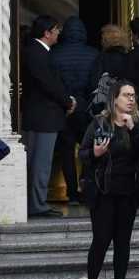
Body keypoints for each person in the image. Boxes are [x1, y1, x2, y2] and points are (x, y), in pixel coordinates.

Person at [78, 81, 139, 279]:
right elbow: (83, 153)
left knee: (123, 241)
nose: (131, 99)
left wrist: (132, 128)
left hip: (128, 191)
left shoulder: (137, 123)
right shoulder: (99, 123)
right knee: (101, 239)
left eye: (133, 95)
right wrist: (96, 153)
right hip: (103, 191)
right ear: (114, 98)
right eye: (126, 95)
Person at [22, 15, 75, 218]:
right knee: (40, 164)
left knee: (39, 163)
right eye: (56, 30)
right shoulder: (36, 53)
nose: (58, 33)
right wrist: (68, 101)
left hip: (43, 116)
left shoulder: (38, 52)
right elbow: (48, 84)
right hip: (42, 117)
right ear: (47, 33)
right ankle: (37, 205)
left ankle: (37, 202)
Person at [51, 16, 98, 205]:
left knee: (67, 151)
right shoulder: (94, 54)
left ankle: (71, 193)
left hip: (64, 109)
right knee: (89, 151)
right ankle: (86, 189)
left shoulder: (54, 54)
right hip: (86, 110)